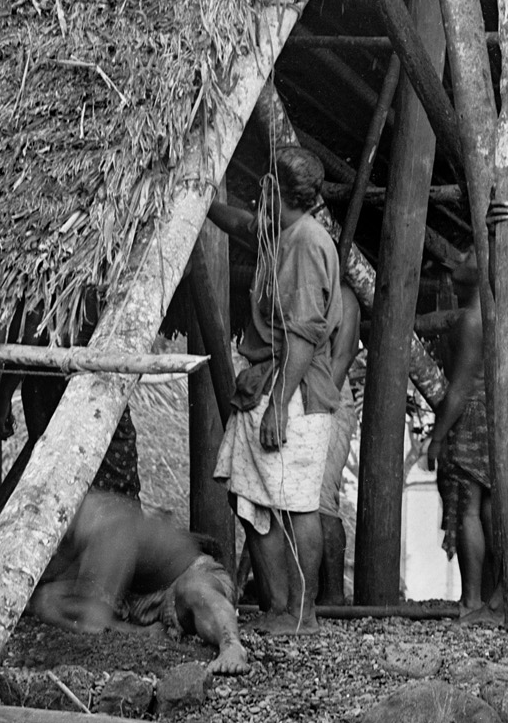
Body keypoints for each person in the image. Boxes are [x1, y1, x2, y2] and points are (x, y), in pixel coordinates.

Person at [216, 148, 360, 635]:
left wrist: (279, 403)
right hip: (273, 382)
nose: (259, 196)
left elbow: (303, 334)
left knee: (296, 503)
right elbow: (242, 224)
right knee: (256, 497)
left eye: (265, 188)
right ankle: (280, 606)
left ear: (279, 192)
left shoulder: (304, 243)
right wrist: (200, 203)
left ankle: (302, 611)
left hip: (291, 388)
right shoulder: (282, 233)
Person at [29, 487, 251, 675]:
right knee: (48, 599)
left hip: (189, 579)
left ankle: (231, 644)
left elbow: (93, 620)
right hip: (138, 604)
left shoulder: (107, 526)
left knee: (195, 589)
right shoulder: (79, 529)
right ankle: (141, 633)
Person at [426, 257, 497, 607]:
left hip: (471, 416)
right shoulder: (505, 315)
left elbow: (461, 388)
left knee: (469, 509)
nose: (464, 258)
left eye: (473, 255)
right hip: (498, 416)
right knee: (485, 507)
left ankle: (471, 600)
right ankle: (486, 596)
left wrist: (437, 437)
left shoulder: (474, 319)